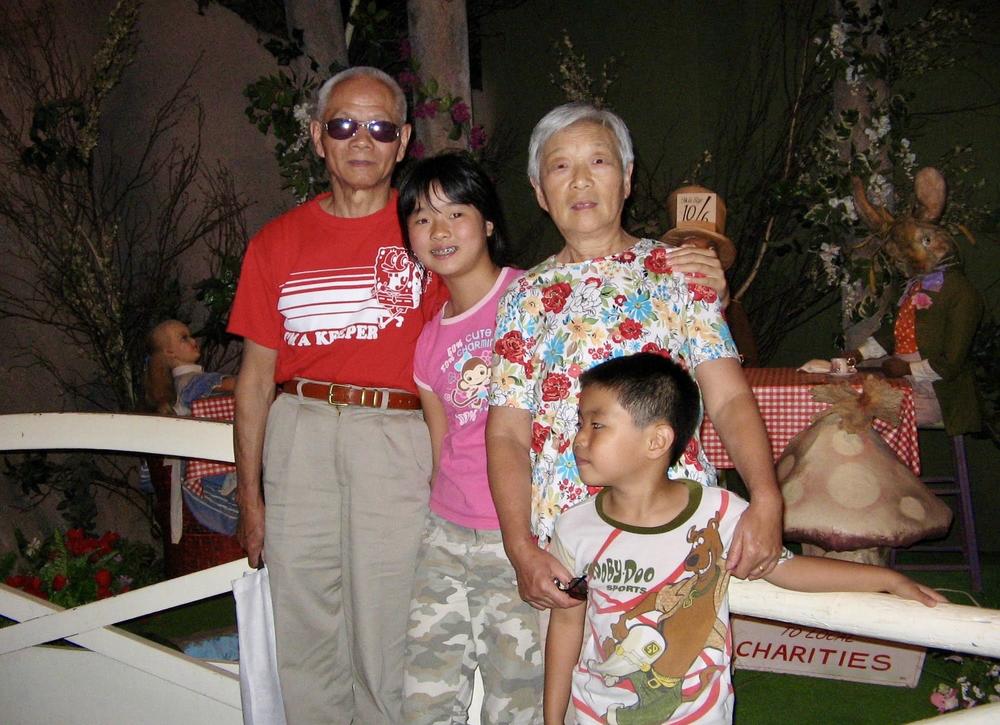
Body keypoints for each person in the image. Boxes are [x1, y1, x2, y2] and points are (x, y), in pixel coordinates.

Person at [486, 103, 784, 617]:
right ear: (539, 191)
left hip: (674, 529)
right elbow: (507, 433)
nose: (580, 181)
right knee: (573, 689)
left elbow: (729, 395)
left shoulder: (679, 274)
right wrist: (521, 547)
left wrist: (766, 497)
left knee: (675, 680)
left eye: (597, 162)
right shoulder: (524, 297)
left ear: (626, 179)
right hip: (566, 544)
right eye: (560, 167)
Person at [544, 353, 945, 724]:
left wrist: (888, 581)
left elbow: (787, 570)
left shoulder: (719, 512)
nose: (579, 438)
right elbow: (565, 625)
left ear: (657, 441)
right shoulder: (573, 527)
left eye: (596, 424)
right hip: (596, 714)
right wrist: (552, 718)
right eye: (580, 423)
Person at [227, 66, 445, 723]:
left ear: (403, 140)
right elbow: (254, 379)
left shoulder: (431, 234)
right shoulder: (276, 242)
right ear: (320, 137)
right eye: (344, 124)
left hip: (395, 437)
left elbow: (477, 326)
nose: (361, 140)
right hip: (302, 434)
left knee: (388, 618)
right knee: (305, 619)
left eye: (380, 127)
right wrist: (249, 493)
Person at [397, 153, 543, 723]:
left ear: (487, 223)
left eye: (456, 213)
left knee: (518, 697)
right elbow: (443, 448)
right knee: (425, 698)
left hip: (518, 535)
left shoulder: (531, 298)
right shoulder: (428, 343)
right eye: (421, 219)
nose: (439, 231)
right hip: (446, 535)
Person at [143, 319, 235, 416]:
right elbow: (236, 385)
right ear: (170, 352)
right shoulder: (192, 381)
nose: (193, 340)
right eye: (184, 338)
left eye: (190, 336)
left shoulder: (178, 383)